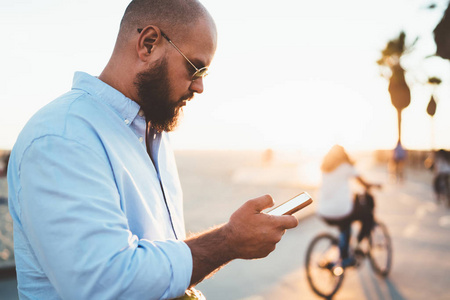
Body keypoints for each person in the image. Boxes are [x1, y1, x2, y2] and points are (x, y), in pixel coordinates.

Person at [7, 1, 298, 299]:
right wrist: (228, 242)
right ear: (148, 44)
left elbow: (157, 254)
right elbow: (106, 285)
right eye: (195, 68)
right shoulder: (62, 136)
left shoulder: (154, 133)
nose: (199, 87)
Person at [317, 145, 379, 268]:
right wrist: (373, 186)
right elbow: (362, 182)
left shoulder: (324, 167)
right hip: (341, 210)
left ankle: (344, 249)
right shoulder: (346, 167)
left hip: (323, 211)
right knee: (367, 216)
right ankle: (355, 247)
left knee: (345, 223)